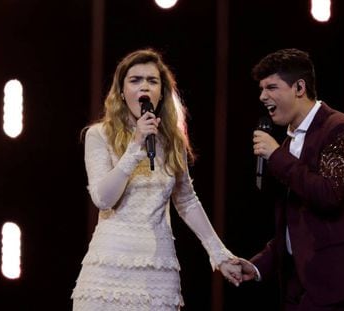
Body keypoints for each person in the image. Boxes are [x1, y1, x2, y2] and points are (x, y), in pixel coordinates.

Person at [70, 48, 241, 310]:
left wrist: (219, 254)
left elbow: (186, 200)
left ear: (161, 91)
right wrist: (134, 147)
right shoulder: (99, 135)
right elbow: (103, 199)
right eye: (135, 80)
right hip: (110, 266)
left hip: (157, 269)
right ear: (121, 91)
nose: (144, 87)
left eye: (152, 81)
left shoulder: (172, 140)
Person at [238, 48, 344, 310]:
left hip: (334, 289)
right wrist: (257, 266)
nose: (262, 96)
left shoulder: (339, 128)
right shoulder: (289, 143)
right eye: (261, 89)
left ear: (299, 87)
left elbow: (329, 195)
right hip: (297, 289)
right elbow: (294, 225)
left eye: (271, 87)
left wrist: (277, 156)